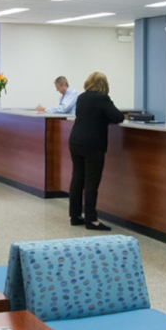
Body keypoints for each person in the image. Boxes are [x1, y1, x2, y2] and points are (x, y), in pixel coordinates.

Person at [68, 72, 124, 231]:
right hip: (92, 144)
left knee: (77, 179)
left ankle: (75, 215)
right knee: (91, 182)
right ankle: (91, 219)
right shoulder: (102, 98)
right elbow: (118, 117)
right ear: (104, 84)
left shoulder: (82, 97)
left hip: (75, 141)